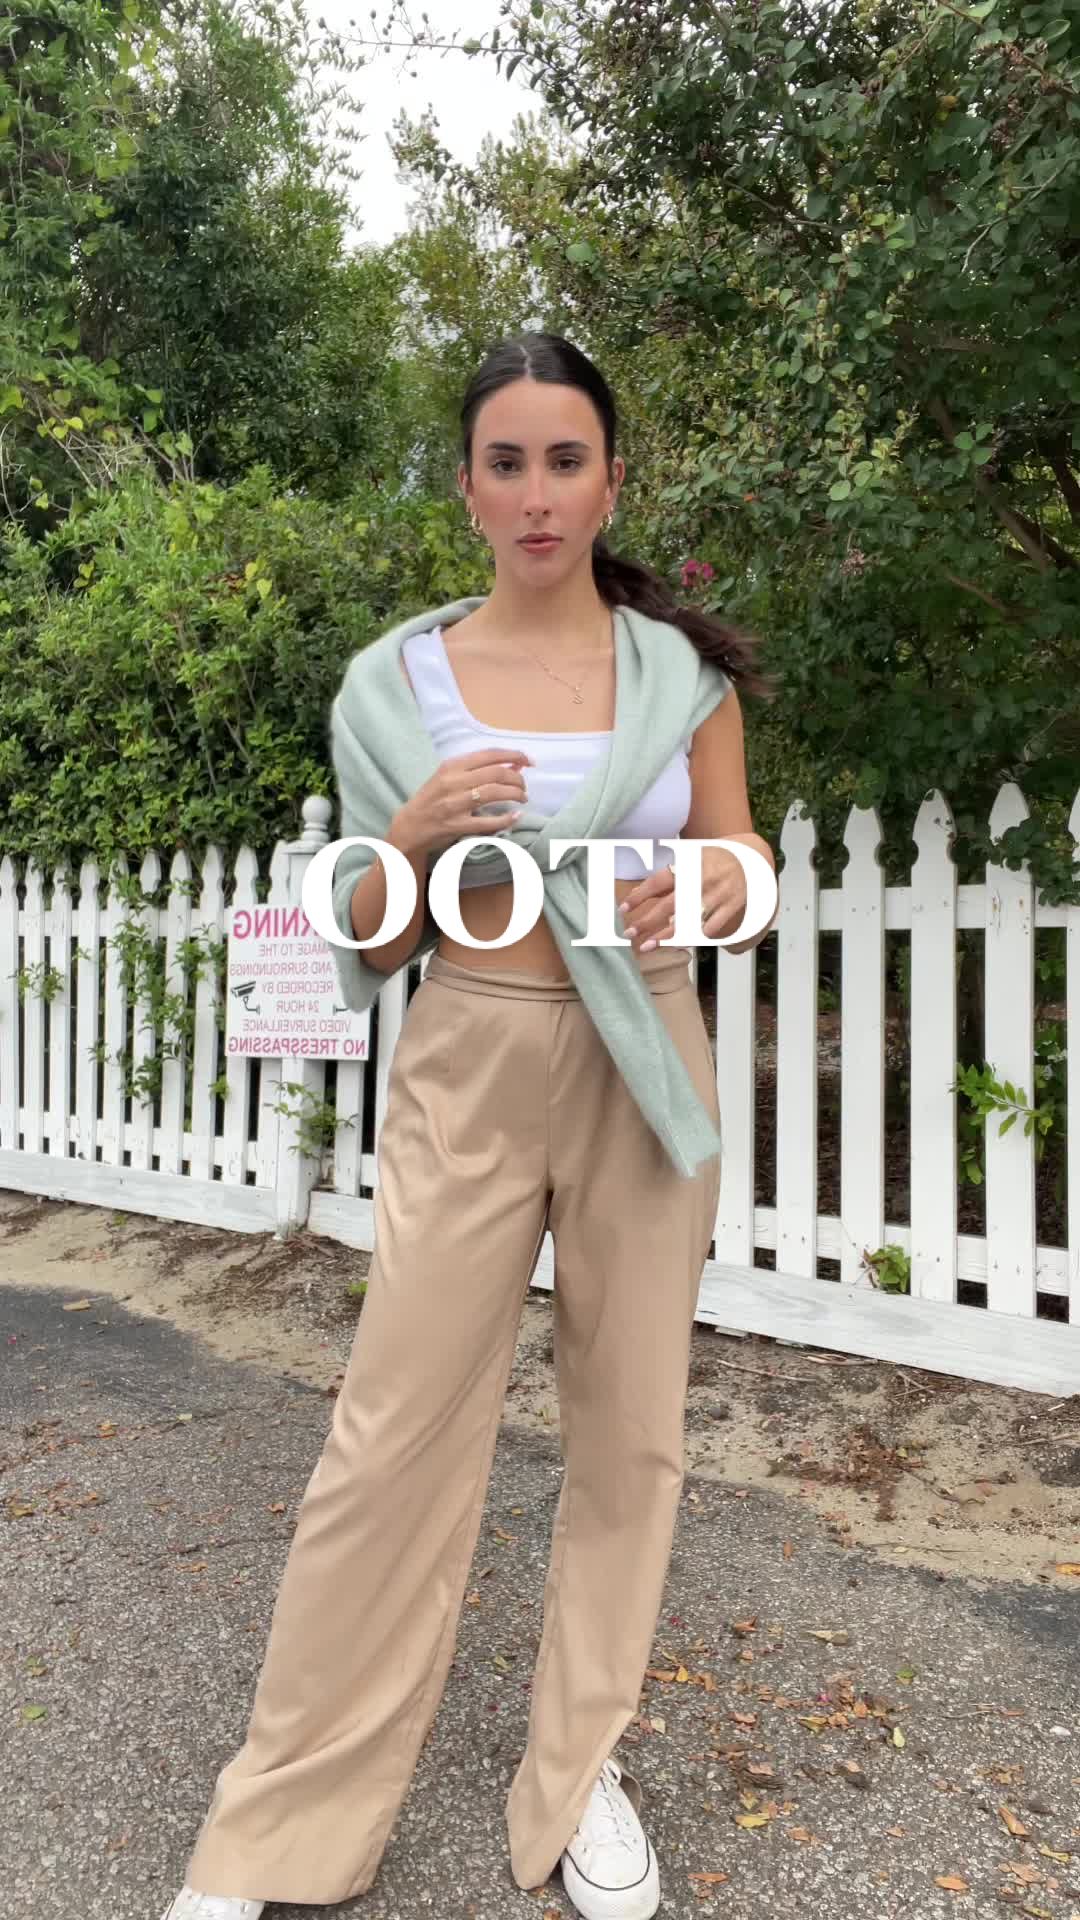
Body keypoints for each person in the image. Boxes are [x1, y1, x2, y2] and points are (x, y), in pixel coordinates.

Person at [160, 331, 777, 1920]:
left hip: (648, 1053)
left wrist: (721, 888)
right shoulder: (396, 684)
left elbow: (744, 860)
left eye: (566, 460)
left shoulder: (681, 679)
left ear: (611, 480)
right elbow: (369, 937)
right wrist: (411, 836)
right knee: (391, 1433)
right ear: (468, 489)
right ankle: (278, 1824)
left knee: (632, 1430)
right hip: (472, 1047)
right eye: (508, 463)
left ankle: (579, 1773)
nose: (538, 493)